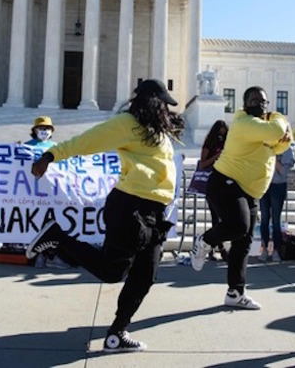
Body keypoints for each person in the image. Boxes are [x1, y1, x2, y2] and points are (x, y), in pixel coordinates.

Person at [27, 79, 183, 353]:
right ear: (151, 102)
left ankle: (117, 333)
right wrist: (50, 155)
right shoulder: (126, 124)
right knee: (113, 272)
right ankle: (57, 236)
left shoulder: (156, 130)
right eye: (163, 105)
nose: (166, 110)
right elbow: (88, 141)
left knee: (146, 275)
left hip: (154, 213)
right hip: (130, 207)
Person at [190, 86, 292, 310]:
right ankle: (205, 241)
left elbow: (283, 143)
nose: (261, 105)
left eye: (264, 101)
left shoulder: (261, 129)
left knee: (243, 243)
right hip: (226, 183)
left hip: (249, 191)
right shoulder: (244, 123)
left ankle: (235, 292)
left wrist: (279, 134)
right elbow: (278, 133)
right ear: (246, 104)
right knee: (239, 225)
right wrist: (277, 118)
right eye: (256, 100)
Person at [23, 116, 68, 270]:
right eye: (41, 128)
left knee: (52, 225)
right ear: (34, 130)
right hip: (33, 193)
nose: (44, 131)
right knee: (36, 224)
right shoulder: (26, 146)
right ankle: (39, 256)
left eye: (47, 129)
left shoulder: (55, 147)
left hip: (52, 193)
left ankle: (52, 255)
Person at [259, 143, 295, 262]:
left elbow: (283, 171)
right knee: (264, 218)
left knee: (276, 219)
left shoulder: (287, 148)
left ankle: (276, 249)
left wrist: (273, 155)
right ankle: (264, 248)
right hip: (264, 184)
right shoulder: (263, 144)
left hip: (278, 185)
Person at [198, 120, 228, 261]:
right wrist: (217, 156)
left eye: (224, 132)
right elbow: (203, 163)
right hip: (213, 184)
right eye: (220, 132)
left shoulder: (227, 144)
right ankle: (216, 247)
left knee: (224, 218)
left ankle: (216, 245)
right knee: (216, 218)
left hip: (226, 183)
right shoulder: (209, 144)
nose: (222, 135)